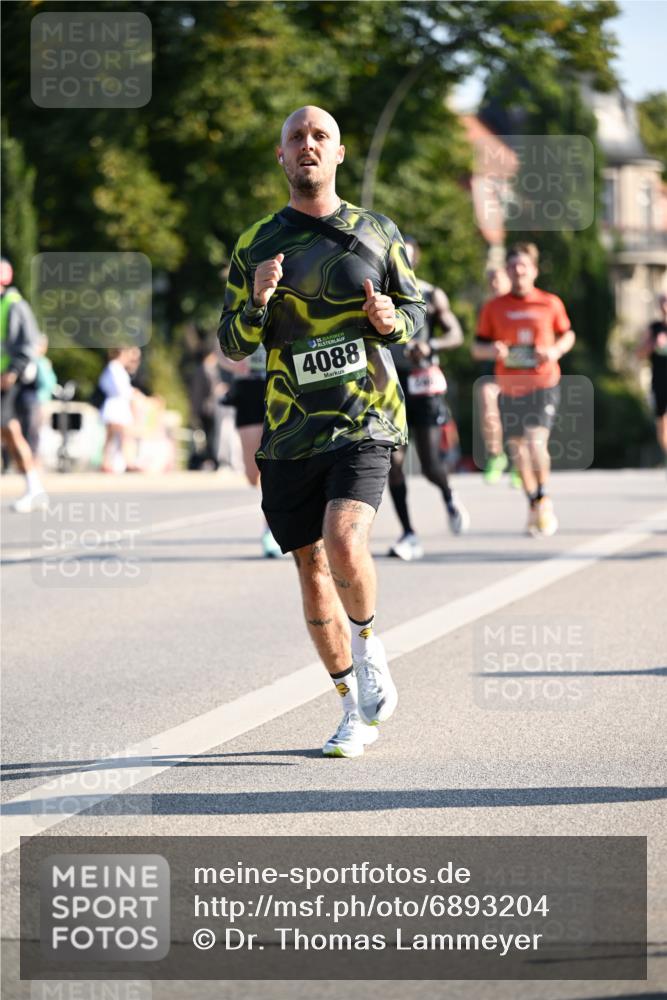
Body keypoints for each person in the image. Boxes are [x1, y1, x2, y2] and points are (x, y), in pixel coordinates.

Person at [218, 105, 425, 758]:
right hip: (287, 433)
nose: (307, 145)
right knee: (309, 569)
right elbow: (229, 342)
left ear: (337, 153)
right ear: (280, 156)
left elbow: (415, 315)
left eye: (320, 136)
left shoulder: (375, 232)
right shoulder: (256, 243)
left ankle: (368, 649)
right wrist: (254, 302)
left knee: (343, 538)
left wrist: (391, 320)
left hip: (365, 419)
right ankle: (349, 709)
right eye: (295, 137)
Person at [473, 243, 575, 536]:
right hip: (510, 387)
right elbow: (476, 348)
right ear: (507, 270)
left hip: (543, 383)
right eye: (513, 266)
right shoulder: (494, 307)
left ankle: (543, 497)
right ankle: (534, 503)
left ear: (534, 271)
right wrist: (491, 350)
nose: (519, 271)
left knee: (535, 443)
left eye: (524, 266)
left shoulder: (550, 303)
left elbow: (568, 334)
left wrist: (554, 351)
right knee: (518, 454)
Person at [386, 236, 469, 561]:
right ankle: (408, 533)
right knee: (392, 462)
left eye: (407, 257)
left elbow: (456, 334)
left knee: (431, 464)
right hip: (390, 384)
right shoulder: (378, 295)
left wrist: (430, 346)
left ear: (416, 259)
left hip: (422, 382)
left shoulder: (432, 294)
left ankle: (448, 495)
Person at [221, 344, 283, 557]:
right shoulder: (233, 309)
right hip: (248, 388)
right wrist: (232, 362)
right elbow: (217, 351)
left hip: (280, 382)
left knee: (272, 464)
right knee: (252, 474)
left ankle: (271, 529)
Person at [0, 258, 47, 512]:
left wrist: (11, 372)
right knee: (9, 433)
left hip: (9, 381)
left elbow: (30, 344)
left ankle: (34, 487)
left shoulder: (14, 305)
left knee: (10, 431)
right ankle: (34, 487)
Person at [477, 266, 521, 487]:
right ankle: (496, 455)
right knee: (487, 398)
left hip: (522, 373)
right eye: (490, 279)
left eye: (498, 278)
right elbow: (476, 348)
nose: (494, 283)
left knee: (515, 414)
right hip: (494, 372)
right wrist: (492, 350)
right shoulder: (488, 309)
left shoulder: (521, 305)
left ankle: (518, 464)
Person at [98, 346, 142, 473]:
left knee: (111, 437)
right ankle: (128, 462)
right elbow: (121, 388)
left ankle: (107, 462)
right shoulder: (114, 367)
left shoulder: (115, 368)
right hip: (116, 406)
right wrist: (133, 392)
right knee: (123, 435)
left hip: (116, 405)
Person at [637, 292, 667, 466]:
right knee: (661, 424)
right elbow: (639, 354)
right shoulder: (654, 328)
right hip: (659, 381)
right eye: (662, 302)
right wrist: (653, 345)